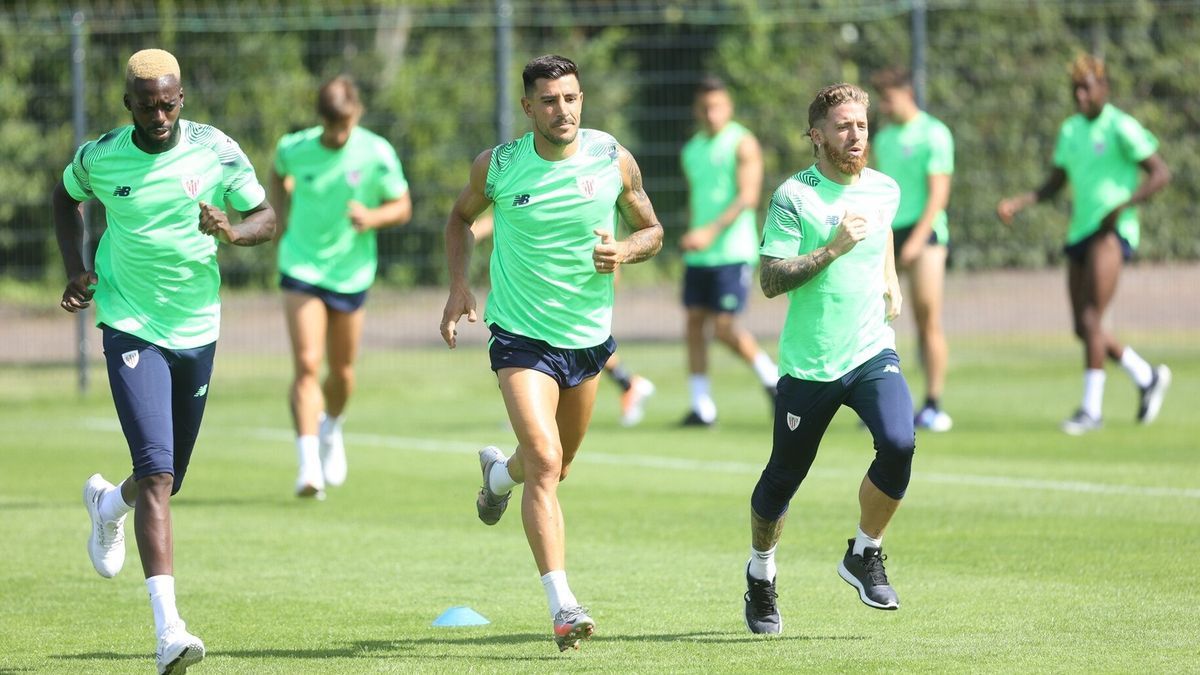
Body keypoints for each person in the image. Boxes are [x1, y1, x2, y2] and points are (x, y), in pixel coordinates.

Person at [53, 49, 275, 673]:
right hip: (128, 323)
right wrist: (77, 267)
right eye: (146, 104)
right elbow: (63, 196)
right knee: (156, 473)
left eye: (169, 103)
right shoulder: (101, 155)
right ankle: (169, 631)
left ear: (183, 100)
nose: (159, 114)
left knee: (167, 478)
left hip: (197, 329)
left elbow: (266, 217)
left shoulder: (216, 150)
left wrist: (231, 231)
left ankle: (107, 505)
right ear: (129, 104)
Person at [439, 55, 663, 651]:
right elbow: (460, 219)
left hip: (587, 340)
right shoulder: (500, 165)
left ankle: (495, 474)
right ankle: (563, 605)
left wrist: (625, 252)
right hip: (519, 336)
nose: (562, 110)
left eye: (571, 98)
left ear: (581, 99)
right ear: (528, 107)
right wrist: (460, 286)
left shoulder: (612, 157)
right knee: (543, 456)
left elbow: (652, 230)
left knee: (554, 467)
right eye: (549, 100)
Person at [743, 83, 913, 635]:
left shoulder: (885, 189)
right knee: (781, 483)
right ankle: (761, 574)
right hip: (811, 364)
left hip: (870, 350)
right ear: (816, 135)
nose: (855, 134)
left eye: (861, 125)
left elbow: (879, 232)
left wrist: (889, 277)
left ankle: (865, 552)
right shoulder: (795, 196)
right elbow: (770, 279)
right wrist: (832, 248)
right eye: (842, 126)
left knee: (899, 442)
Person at [997, 55, 1172, 435]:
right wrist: (1021, 202)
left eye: (1086, 87)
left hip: (1111, 231)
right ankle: (1146, 376)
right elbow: (1055, 182)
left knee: (1093, 318)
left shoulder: (1121, 127)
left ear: (1104, 88)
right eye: (1074, 89)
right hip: (1079, 232)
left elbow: (1161, 173)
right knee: (1083, 326)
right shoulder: (1070, 130)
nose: (1079, 95)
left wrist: (1124, 206)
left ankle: (1091, 411)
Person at [270, 76, 413, 498]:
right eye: (332, 125)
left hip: (351, 274)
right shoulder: (294, 148)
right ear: (322, 119)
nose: (339, 133)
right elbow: (277, 174)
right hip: (301, 266)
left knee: (343, 372)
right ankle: (308, 464)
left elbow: (402, 205)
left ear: (357, 115)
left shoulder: (376, 151)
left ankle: (331, 426)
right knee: (308, 364)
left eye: (345, 124)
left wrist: (373, 218)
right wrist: (280, 219)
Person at [470, 209, 656, 427]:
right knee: (556, 343)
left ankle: (628, 384)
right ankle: (627, 384)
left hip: (578, 283)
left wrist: (470, 232)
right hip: (561, 286)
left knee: (571, 343)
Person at [679, 77, 779, 427]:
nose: (711, 114)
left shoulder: (742, 143)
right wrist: (693, 232)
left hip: (732, 251)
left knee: (723, 327)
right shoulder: (691, 149)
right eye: (705, 107)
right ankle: (701, 406)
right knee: (693, 324)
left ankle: (772, 378)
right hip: (699, 254)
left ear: (729, 106)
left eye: (717, 106)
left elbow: (748, 197)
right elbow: (696, 199)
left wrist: (710, 231)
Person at [870, 67, 956, 432]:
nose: (884, 107)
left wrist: (918, 239)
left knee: (926, 319)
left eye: (888, 99)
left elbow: (938, 192)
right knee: (875, 318)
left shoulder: (934, 133)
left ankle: (933, 404)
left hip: (926, 234)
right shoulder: (885, 137)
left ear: (906, 94)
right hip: (888, 232)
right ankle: (876, 404)